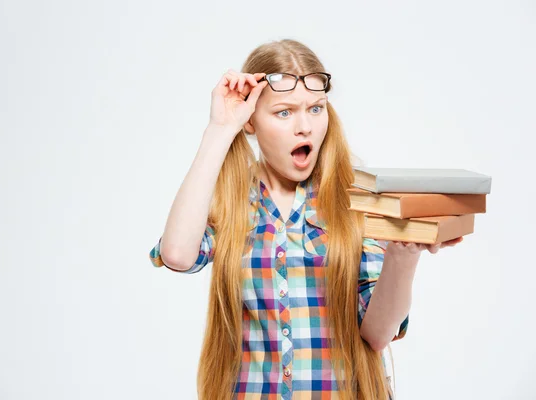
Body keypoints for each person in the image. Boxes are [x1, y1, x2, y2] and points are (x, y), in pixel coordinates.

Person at [149, 38, 462, 400]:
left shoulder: (357, 203)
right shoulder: (232, 202)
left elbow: (377, 334)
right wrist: (220, 129)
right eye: (284, 112)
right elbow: (176, 254)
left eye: (316, 109)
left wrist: (404, 255)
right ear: (251, 122)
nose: (305, 127)